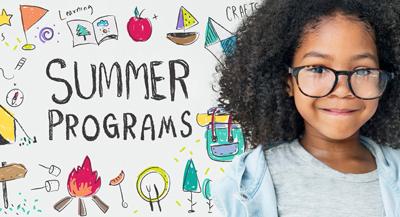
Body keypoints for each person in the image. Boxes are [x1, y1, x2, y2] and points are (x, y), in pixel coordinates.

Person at [211, 0, 400, 216]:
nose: (341, 90)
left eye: (363, 71)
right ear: (287, 81)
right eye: (318, 69)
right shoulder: (246, 184)